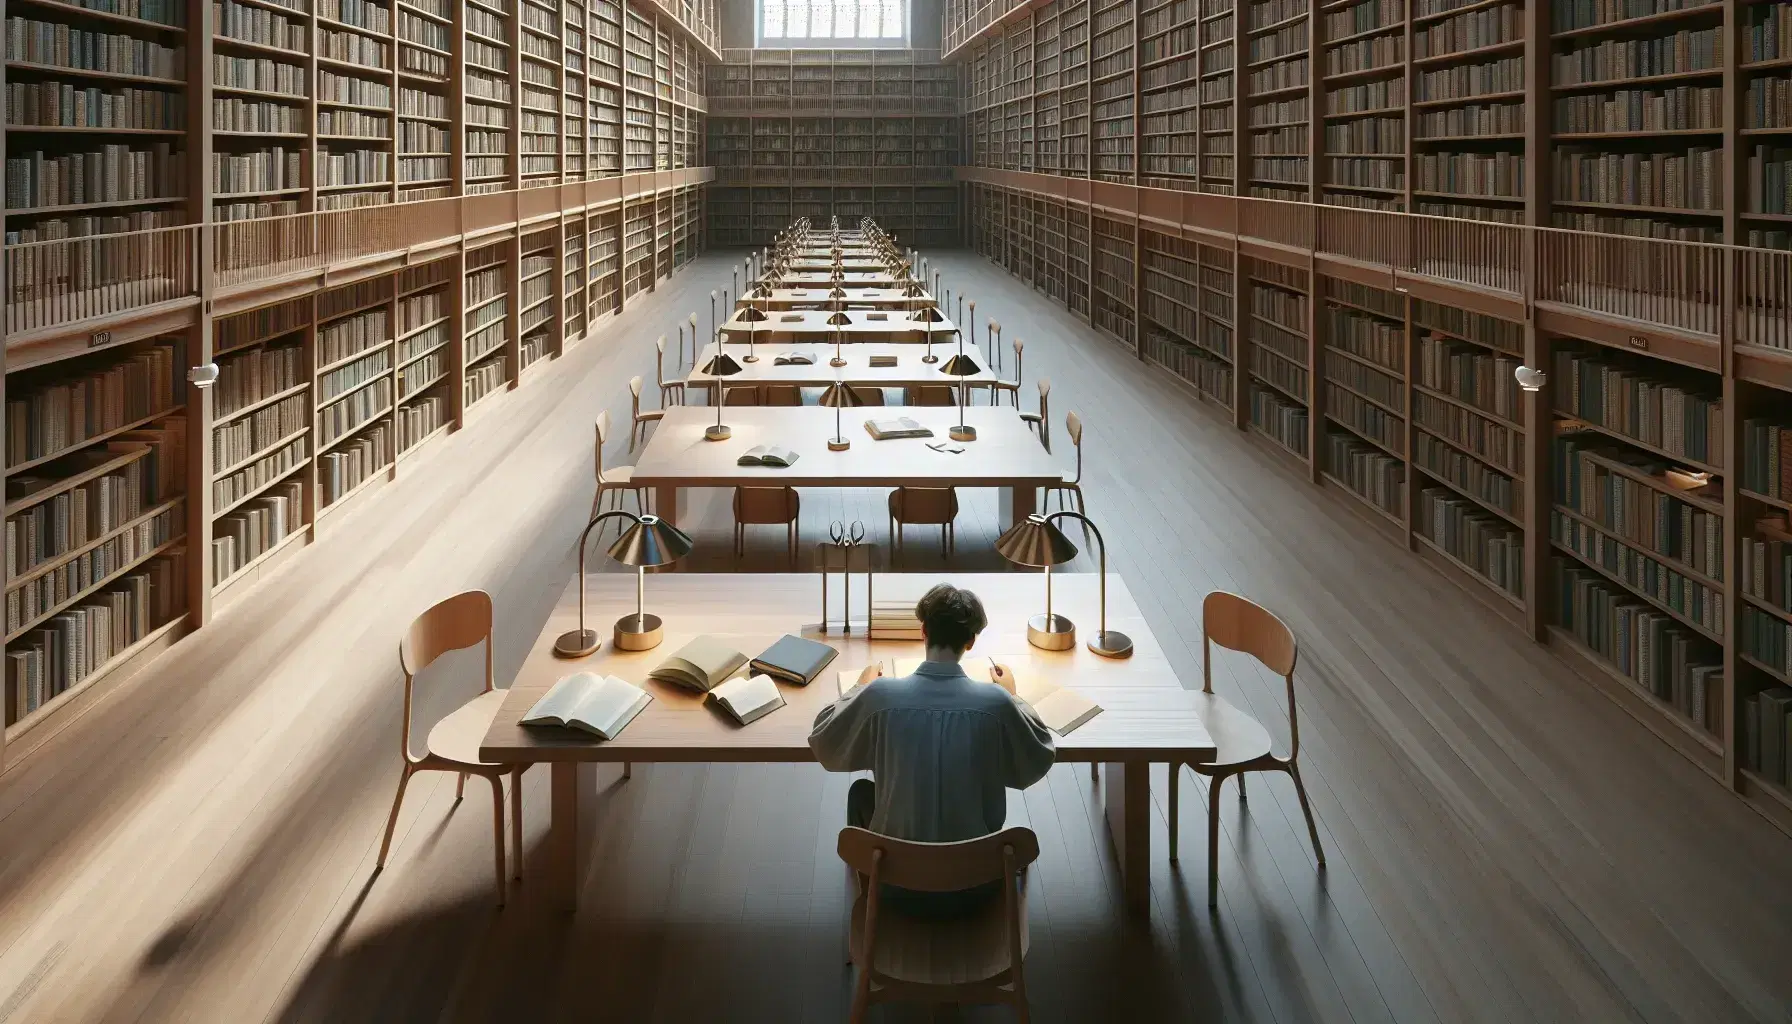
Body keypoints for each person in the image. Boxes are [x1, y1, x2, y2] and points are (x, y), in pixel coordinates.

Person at [809, 583, 1055, 916]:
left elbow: (824, 739)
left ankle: (871, 897)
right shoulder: (995, 703)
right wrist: (1013, 696)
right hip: (977, 888)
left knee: (862, 794)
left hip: (895, 888)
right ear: (970, 641)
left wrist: (859, 688)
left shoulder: (881, 696)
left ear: (923, 631)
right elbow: (1038, 756)